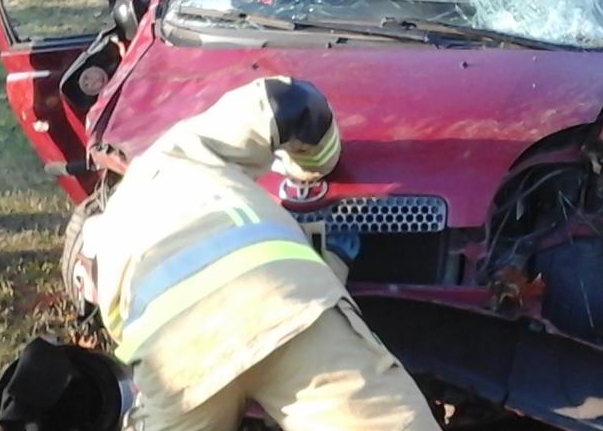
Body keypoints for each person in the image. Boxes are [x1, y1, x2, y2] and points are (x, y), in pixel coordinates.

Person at [68, 77, 437, 431]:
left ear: (85, 273)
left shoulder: (116, 303)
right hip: (285, 310)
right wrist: (313, 170)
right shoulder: (167, 160)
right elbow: (288, 101)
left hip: (180, 368)